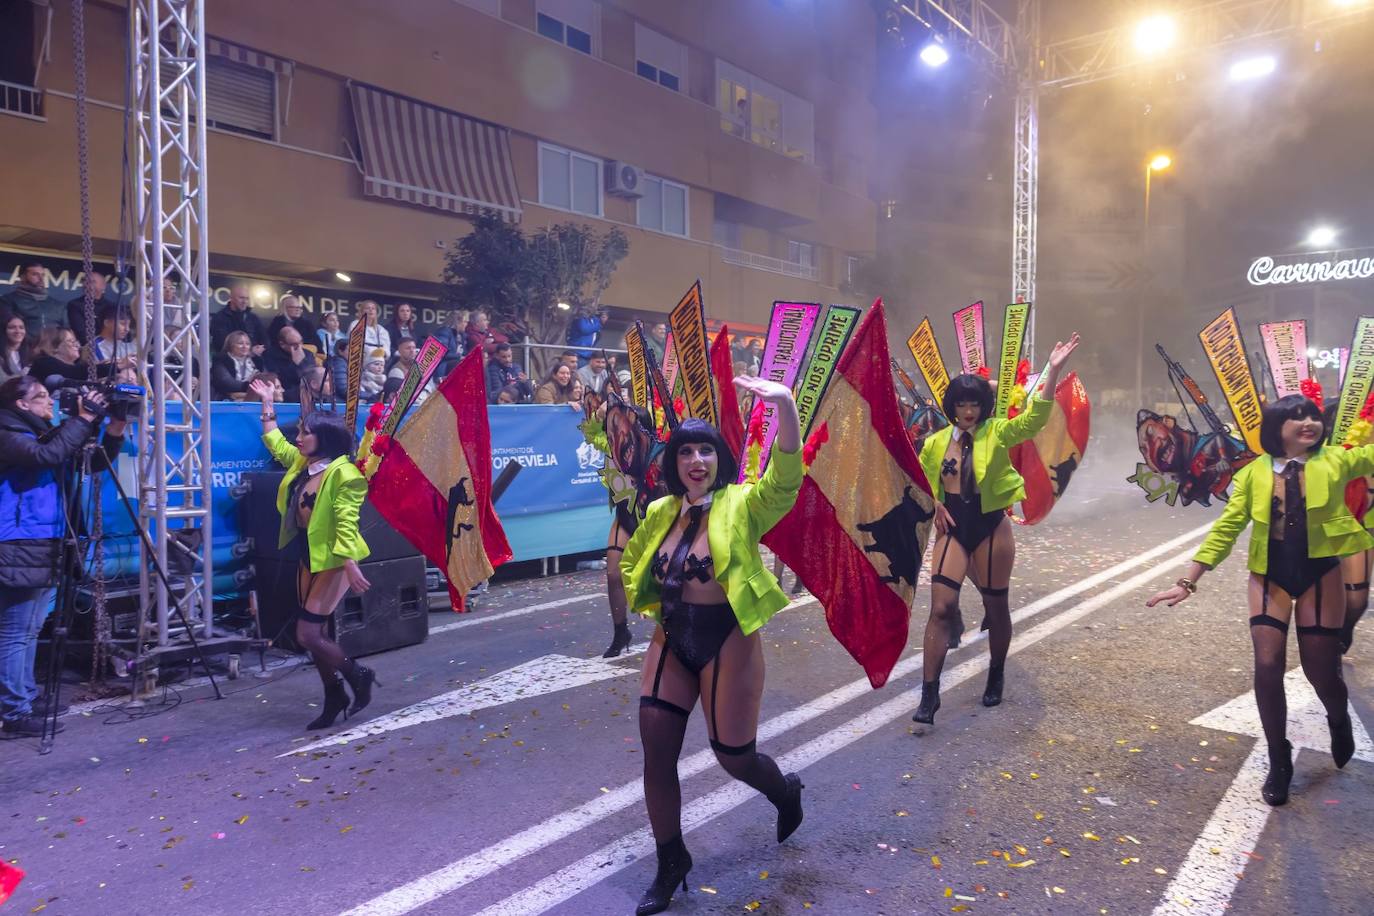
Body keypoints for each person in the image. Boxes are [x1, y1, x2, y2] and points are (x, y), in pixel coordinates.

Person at [620, 376, 806, 915]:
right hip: (672, 637)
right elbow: (633, 562)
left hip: (729, 637)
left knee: (734, 757)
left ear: (718, 458)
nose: (695, 460)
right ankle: (670, 859)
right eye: (685, 452)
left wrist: (786, 408)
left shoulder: (743, 504)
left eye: (705, 450)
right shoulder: (660, 512)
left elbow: (787, 479)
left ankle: (783, 791)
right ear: (674, 462)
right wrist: (653, 605)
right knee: (657, 748)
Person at [1147, 394, 1374, 806]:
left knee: (1320, 671)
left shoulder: (1337, 461)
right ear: (1276, 427)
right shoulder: (1253, 472)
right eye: (1297, 417)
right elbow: (1228, 526)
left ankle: (1338, 720)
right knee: (1267, 665)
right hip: (1269, 576)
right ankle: (1278, 758)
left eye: (1313, 417)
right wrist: (1188, 581)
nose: (1309, 423)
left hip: (1321, 573)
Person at [911, 334, 1080, 724]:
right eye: (961, 404)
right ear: (951, 407)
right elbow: (920, 480)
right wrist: (934, 501)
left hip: (991, 528)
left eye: (974, 404)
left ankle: (997, 673)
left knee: (995, 606)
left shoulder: (998, 432)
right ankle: (929, 694)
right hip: (953, 529)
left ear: (983, 406)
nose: (968, 411)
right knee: (940, 609)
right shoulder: (935, 443)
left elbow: (1036, 419)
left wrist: (1052, 370)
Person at [0, 376, 125, 736]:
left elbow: (92, 464)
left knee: (30, 627)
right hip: (18, 543)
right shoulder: (8, 433)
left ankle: (23, 695)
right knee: (15, 630)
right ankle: (14, 713)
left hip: (44, 542)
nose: (50, 403)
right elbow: (48, 456)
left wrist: (114, 426)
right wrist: (84, 419)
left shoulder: (42, 432)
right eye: (41, 398)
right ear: (21, 404)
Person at [250, 377, 377, 730]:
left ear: (326, 439)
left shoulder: (345, 474)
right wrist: (267, 404)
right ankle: (334, 693)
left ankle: (359, 675)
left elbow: (346, 521)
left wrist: (350, 564)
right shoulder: (302, 465)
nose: (299, 437)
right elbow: (276, 443)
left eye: (306, 432)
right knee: (317, 635)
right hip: (309, 554)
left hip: (336, 559)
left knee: (307, 635)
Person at [0, 260, 62, 337]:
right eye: (35, 274)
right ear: (23, 277)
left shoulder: (57, 304)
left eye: (43, 275)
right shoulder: (7, 301)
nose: (41, 279)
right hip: (25, 347)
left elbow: (67, 331)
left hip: (55, 347)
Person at [82, 302, 137, 377]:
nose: (127, 329)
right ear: (107, 323)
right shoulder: (93, 347)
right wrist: (121, 363)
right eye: (123, 324)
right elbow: (101, 372)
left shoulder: (127, 345)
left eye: (129, 325)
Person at [66, 271, 122, 344]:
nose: (87, 285)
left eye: (92, 282)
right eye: (85, 281)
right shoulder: (75, 305)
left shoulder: (113, 306)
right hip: (90, 348)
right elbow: (81, 333)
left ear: (103, 286)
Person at [210, 283, 267, 353]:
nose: (244, 301)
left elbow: (265, 341)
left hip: (253, 361)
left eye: (247, 298)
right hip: (229, 361)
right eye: (241, 298)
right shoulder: (220, 318)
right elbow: (221, 344)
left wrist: (260, 348)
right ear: (231, 298)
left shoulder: (253, 318)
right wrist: (249, 351)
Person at [263, 325, 314, 403]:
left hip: (306, 392)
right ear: (282, 344)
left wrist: (301, 364)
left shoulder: (308, 354)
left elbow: (311, 378)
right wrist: (294, 364)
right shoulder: (270, 355)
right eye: (294, 344)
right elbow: (278, 379)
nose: (300, 347)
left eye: (301, 342)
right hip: (284, 393)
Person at [211, 330, 265, 400]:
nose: (245, 347)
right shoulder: (221, 360)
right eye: (240, 343)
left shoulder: (257, 361)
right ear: (231, 345)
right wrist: (250, 386)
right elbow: (226, 383)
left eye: (248, 344)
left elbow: (265, 381)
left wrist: (242, 394)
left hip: (253, 400)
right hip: (226, 400)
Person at [430, 309, 468, 377]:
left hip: (455, 368)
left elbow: (464, 353)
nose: (466, 324)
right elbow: (441, 352)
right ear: (457, 322)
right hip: (443, 369)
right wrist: (459, 357)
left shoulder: (462, 335)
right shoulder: (444, 332)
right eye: (465, 322)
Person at [1, 315, 29, 381]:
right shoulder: (1, 356)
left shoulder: (31, 353)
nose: (18, 331)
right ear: (4, 331)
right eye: (12, 327)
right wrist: (22, 374)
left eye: (21, 327)